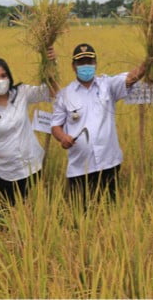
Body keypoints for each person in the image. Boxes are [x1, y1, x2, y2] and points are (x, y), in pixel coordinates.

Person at [51, 43, 147, 207]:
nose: (86, 66)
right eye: (81, 63)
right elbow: (55, 126)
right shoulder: (65, 94)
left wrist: (149, 60)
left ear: (95, 63)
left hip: (108, 164)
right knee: (81, 216)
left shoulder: (107, 85)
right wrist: (63, 138)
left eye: (89, 61)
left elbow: (132, 77)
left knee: (109, 211)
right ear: (73, 66)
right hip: (80, 167)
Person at [0, 48, 57, 207]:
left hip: (33, 168)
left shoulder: (22, 93)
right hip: (7, 174)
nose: (0, 81)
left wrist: (51, 64)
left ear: (9, 77)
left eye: (3, 76)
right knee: (14, 216)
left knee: (36, 212)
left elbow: (51, 92)